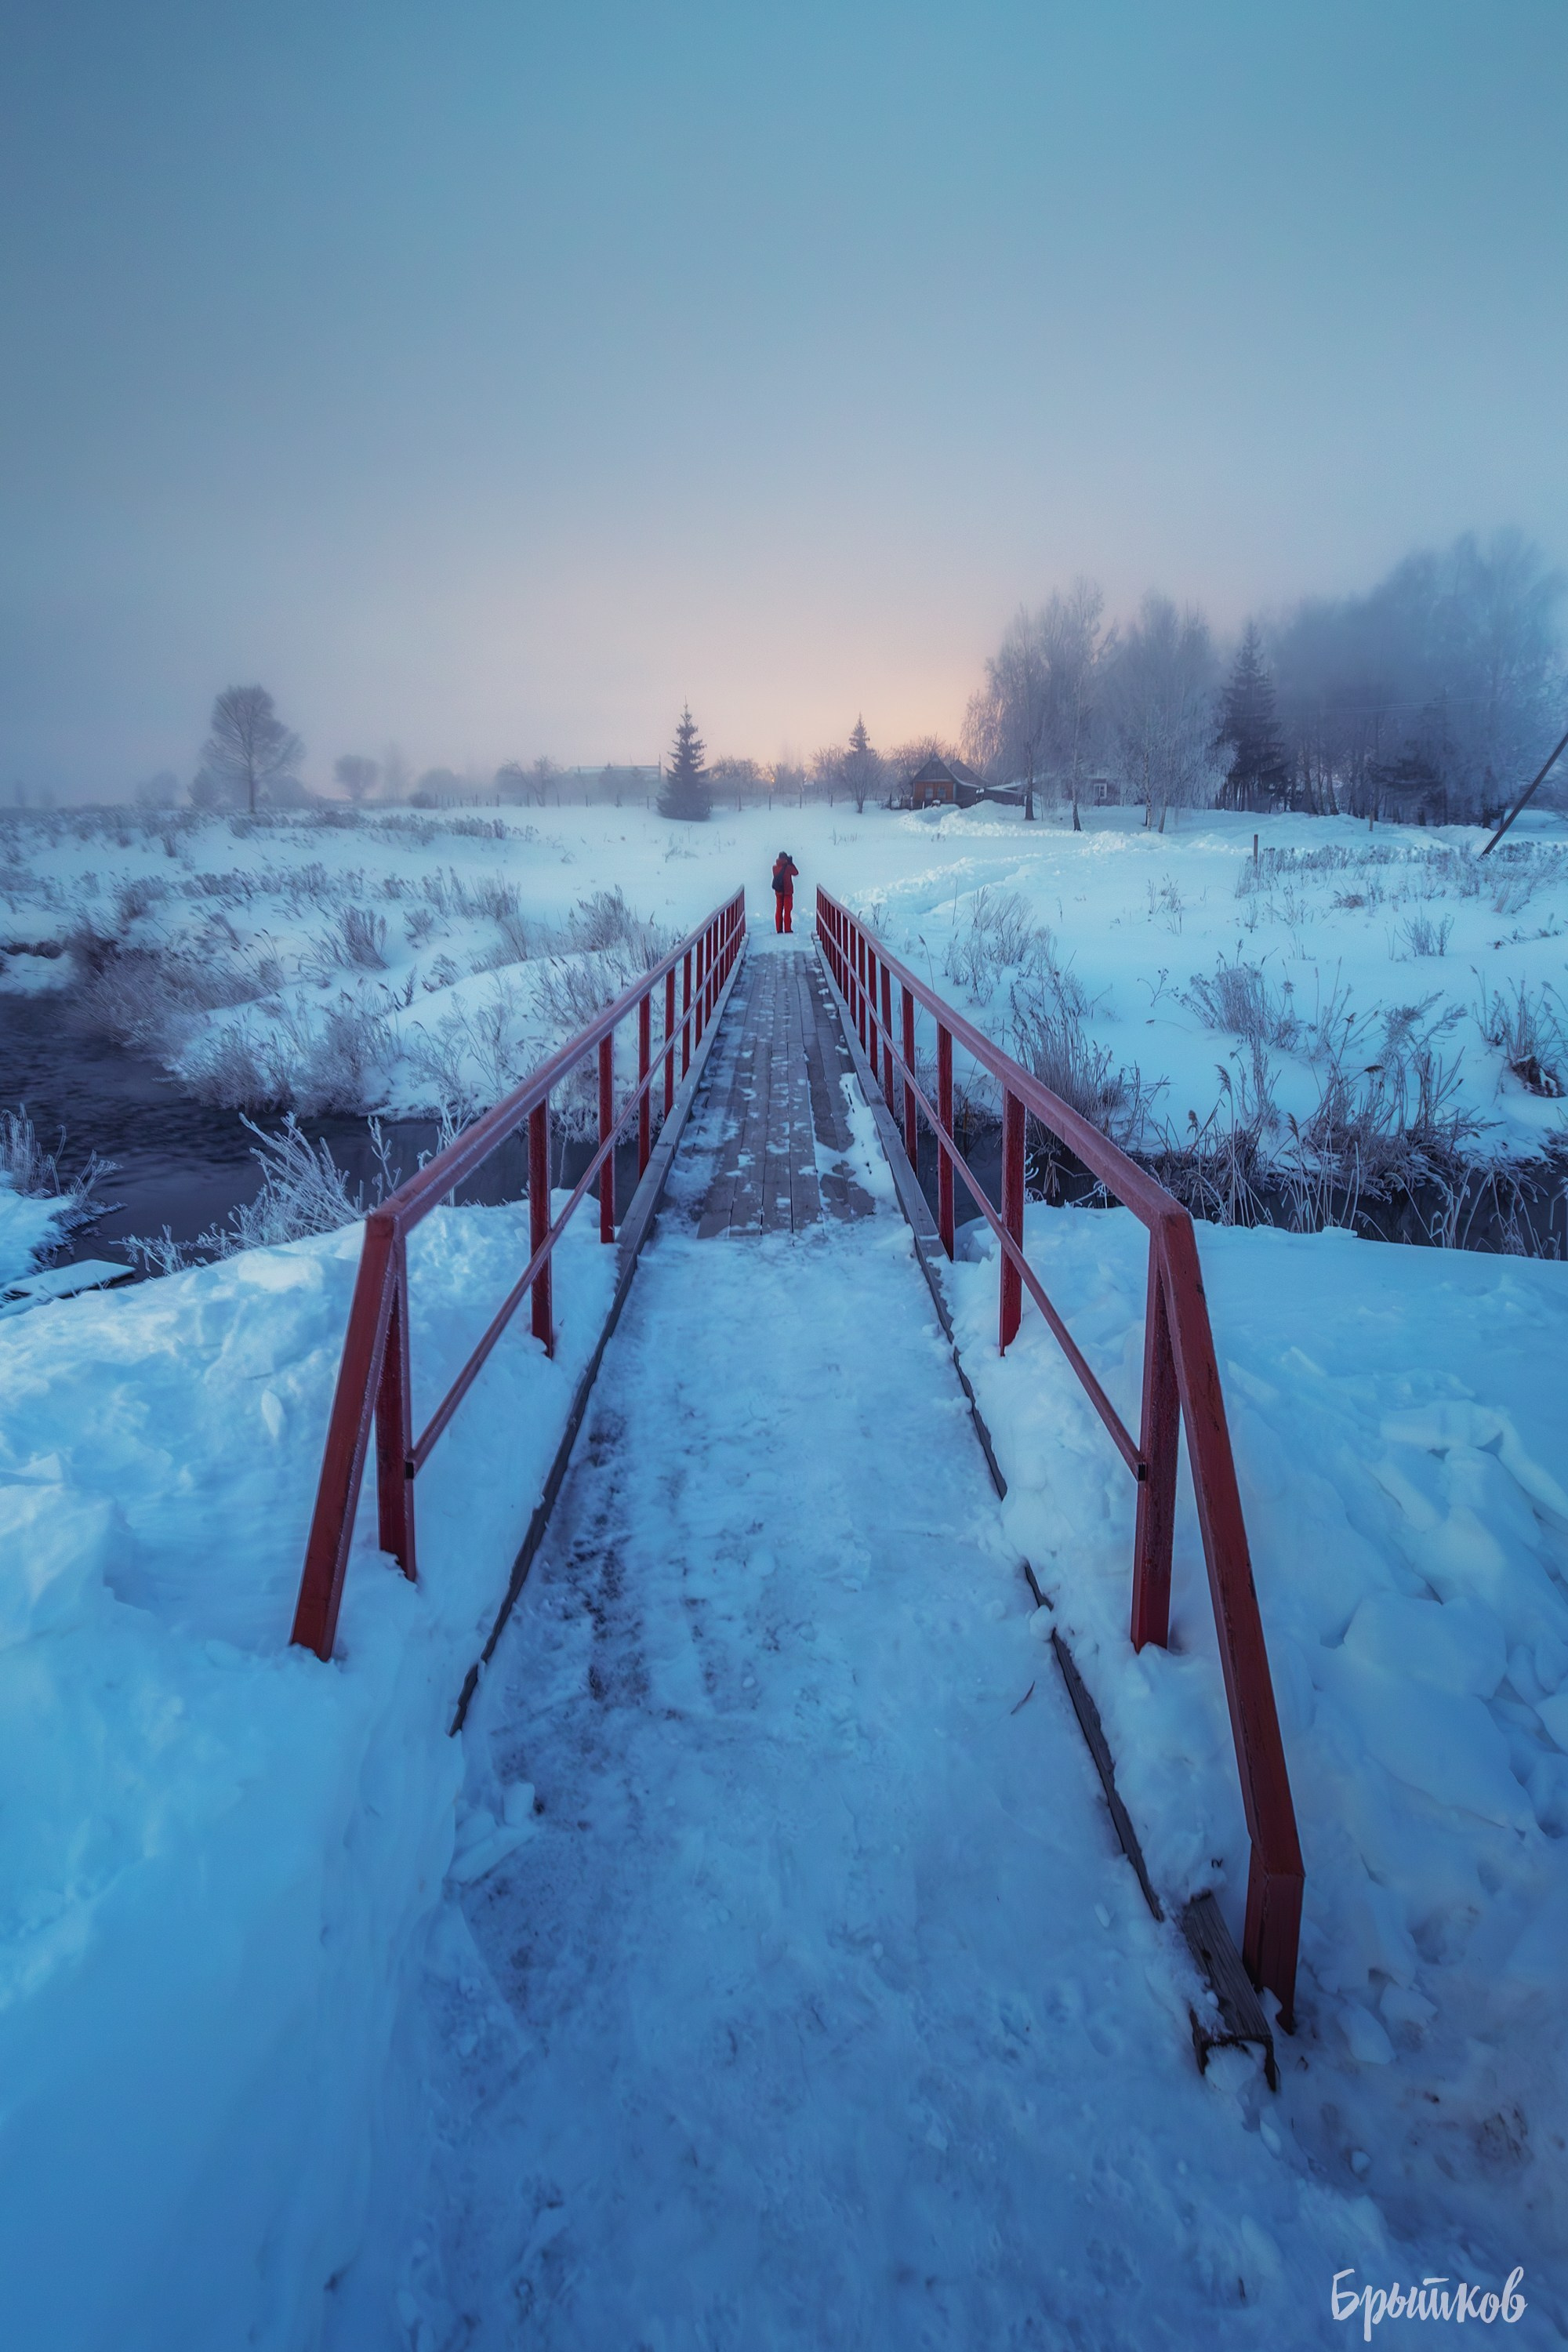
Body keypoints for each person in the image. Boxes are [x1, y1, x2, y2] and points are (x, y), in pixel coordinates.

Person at [771, 849, 799, 934]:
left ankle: (779, 929)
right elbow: (796, 872)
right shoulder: (788, 868)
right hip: (787, 892)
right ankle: (787, 929)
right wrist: (791, 863)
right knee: (787, 911)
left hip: (778, 892)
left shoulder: (775, 868)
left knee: (779, 910)